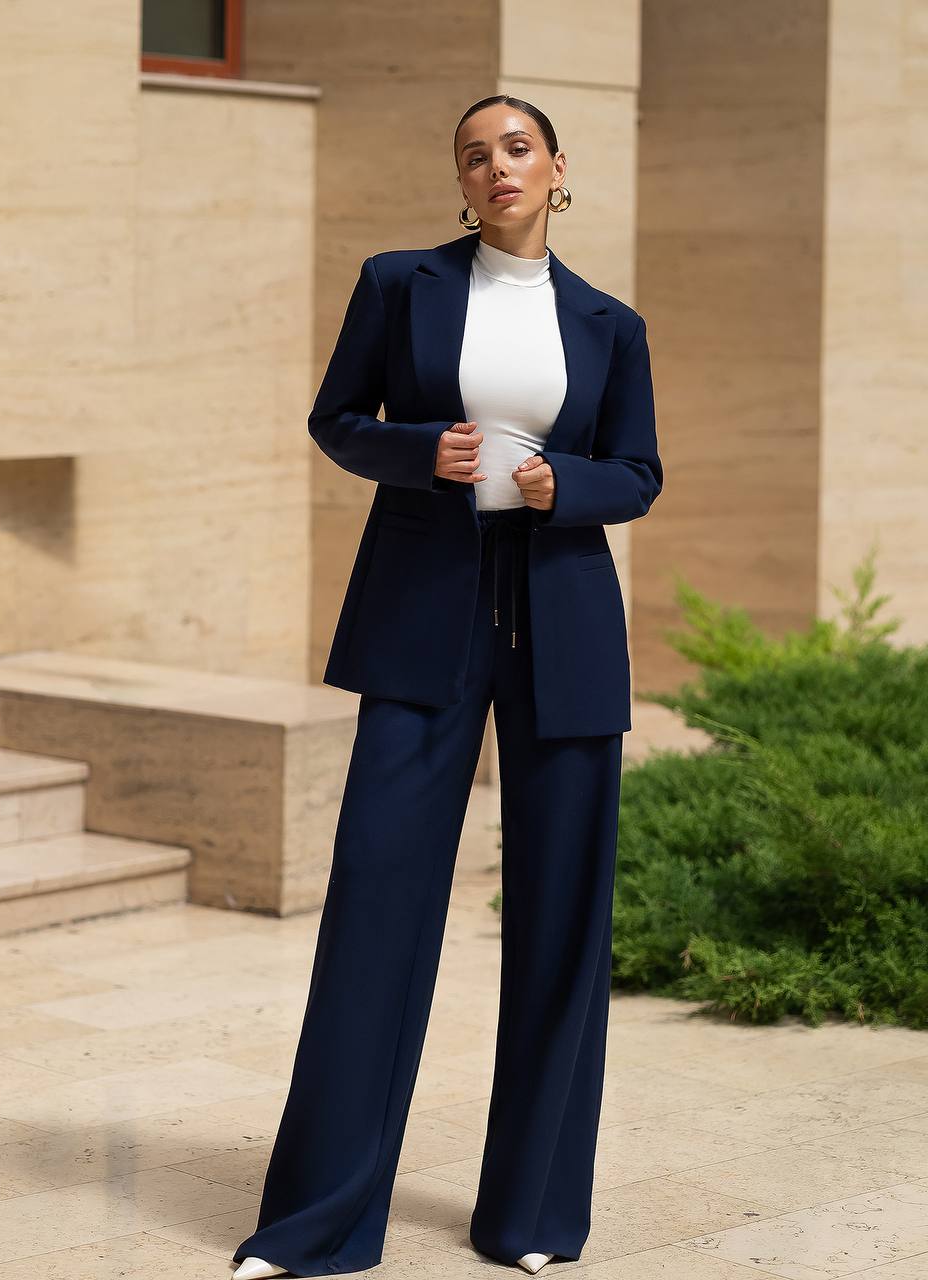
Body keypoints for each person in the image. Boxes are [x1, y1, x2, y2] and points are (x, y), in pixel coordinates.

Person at [232, 93, 662, 1280]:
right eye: (474, 154)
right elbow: (335, 419)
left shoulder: (611, 323)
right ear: (461, 181)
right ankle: (319, 1221)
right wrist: (419, 452)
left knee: (563, 915)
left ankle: (532, 1216)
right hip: (423, 612)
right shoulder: (399, 284)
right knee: (376, 896)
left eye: (515, 147)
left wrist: (566, 487)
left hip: (565, 622)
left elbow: (637, 470)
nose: (495, 166)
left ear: (556, 167)